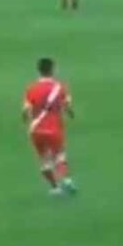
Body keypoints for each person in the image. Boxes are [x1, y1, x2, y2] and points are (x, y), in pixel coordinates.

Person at [22, 58, 77, 196]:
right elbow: (67, 105)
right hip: (54, 129)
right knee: (60, 157)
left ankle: (55, 188)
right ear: (52, 70)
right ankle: (67, 180)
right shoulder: (60, 87)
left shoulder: (31, 89)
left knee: (45, 160)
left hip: (36, 130)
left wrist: (27, 121)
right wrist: (71, 114)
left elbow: (25, 110)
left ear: (38, 70)